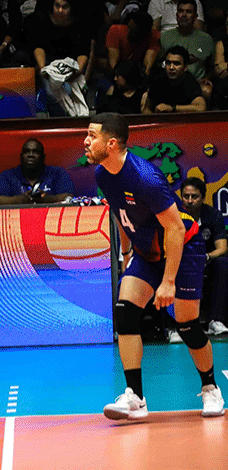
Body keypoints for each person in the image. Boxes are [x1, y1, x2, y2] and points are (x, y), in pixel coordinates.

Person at [84, 113, 224, 419]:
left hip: (183, 247)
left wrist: (168, 281)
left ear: (111, 143)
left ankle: (211, 389)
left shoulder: (146, 178)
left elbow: (174, 229)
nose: (85, 141)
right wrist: (125, 254)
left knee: (187, 324)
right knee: (126, 312)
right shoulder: (103, 175)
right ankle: (135, 398)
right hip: (147, 250)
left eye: (91, 136)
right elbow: (120, 214)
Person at [179, 178, 228, 337]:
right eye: (186, 196)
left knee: (223, 263)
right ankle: (175, 326)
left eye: (195, 196)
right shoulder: (175, 215)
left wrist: (207, 256)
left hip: (206, 260)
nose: (190, 201)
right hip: (182, 261)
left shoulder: (213, 215)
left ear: (203, 197)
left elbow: (222, 248)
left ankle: (216, 321)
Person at [0, 139, 75, 205]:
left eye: (35, 152)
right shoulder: (7, 176)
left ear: (43, 157)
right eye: (27, 152)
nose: (30, 155)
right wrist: (19, 200)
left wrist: (48, 199)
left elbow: (69, 197)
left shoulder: (57, 173)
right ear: (21, 157)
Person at [143, 46, 207, 114]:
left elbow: (201, 108)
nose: (171, 67)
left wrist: (172, 108)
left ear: (185, 67)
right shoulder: (158, 79)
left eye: (176, 64)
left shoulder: (190, 81)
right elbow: (147, 108)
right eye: (168, 63)